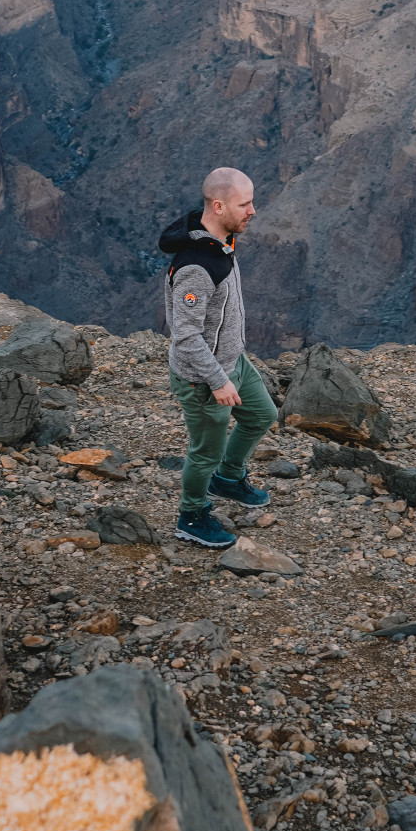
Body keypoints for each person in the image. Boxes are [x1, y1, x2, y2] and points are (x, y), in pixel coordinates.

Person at [159, 167, 278, 548]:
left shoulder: (220, 237)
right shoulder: (197, 265)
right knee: (204, 452)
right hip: (203, 377)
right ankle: (191, 516)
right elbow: (185, 336)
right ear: (218, 205)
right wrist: (218, 381)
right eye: (245, 204)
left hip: (233, 362)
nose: (253, 211)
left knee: (263, 415)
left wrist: (232, 365)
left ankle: (229, 478)